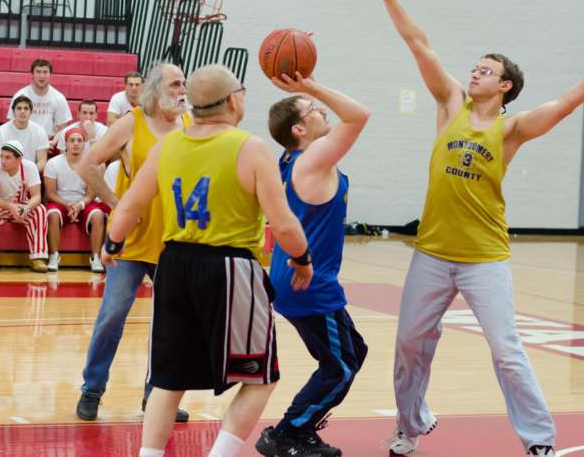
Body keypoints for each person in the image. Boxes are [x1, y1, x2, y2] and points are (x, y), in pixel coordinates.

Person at [360, 0, 584, 457]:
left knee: (507, 353)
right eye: (476, 67)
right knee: (410, 346)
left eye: (486, 70)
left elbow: (563, 106)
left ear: (504, 86)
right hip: (433, 253)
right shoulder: (449, 103)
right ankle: (409, 425)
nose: (475, 72)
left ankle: (539, 440)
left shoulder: (512, 129)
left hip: (485, 256)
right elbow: (418, 42)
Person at [103, 64, 313, 457]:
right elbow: (283, 222)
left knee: (168, 379)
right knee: (260, 376)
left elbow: (130, 204)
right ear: (233, 100)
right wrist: (302, 259)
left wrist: (112, 244)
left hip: (174, 265)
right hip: (230, 268)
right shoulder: (249, 147)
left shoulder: (170, 145)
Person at [255, 74, 370, 457]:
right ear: (300, 129)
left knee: (353, 352)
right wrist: (314, 85)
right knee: (340, 367)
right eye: (312, 109)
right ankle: (287, 434)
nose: (322, 109)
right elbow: (359, 116)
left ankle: (302, 428)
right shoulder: (311, 159)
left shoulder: (292, 157)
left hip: (298, 277)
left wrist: (305, 93)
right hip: (310, 281)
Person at [74, 63, 191, 423]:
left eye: (184, 83)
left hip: (173, 241)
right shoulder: (130, 123)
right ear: (157, 88)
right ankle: (92, 390)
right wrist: (115, 203)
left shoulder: (188, 125)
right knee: (112, 316)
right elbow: (88, 164)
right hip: (131, 241)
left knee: (171, 325)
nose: (182, 90)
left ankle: (155, 398)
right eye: (176, 84)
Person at [44, 128, 109, 273]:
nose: (76, 143)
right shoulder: (53, 163)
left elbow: (91, 193)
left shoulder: (91, 165)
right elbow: (50, 193)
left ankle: (95, 257)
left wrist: (79, 205)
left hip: (83, 202)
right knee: (52, 214)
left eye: (79, 140)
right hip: (60, 201)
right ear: (65, 143)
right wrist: (67, 205)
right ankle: (54, 256)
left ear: (84, 144)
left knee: (98, 215)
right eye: (72, 140)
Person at [0, 140, 49, 273]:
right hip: (0, 205)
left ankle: (38, 257)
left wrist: (27, 208)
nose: (3, 161)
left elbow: (36, 196)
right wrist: (9, 206)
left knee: (40, 210)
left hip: (22, 205)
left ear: (19, 159)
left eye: (8, 158)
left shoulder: (30, 167)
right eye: (2, 156)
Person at [7, 59, 72, 143]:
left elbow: (62, 128)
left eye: (45, 72)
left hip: (49, 142)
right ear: (32, 74)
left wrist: (53, 142)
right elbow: (12, 124)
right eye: (38, 72)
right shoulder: (20, 95)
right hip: (24, 141)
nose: (41, 76)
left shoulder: (59, 97)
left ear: (50, 75)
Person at [0, 95, 49, 172]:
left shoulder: (39, 131)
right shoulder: (2, 131)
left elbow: (42, 162)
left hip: (29, 174)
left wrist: (28, 173)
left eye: (26, 108)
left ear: (31, 112)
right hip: (6, 172)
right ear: (13, 111)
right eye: (19, 108)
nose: (22, 111)